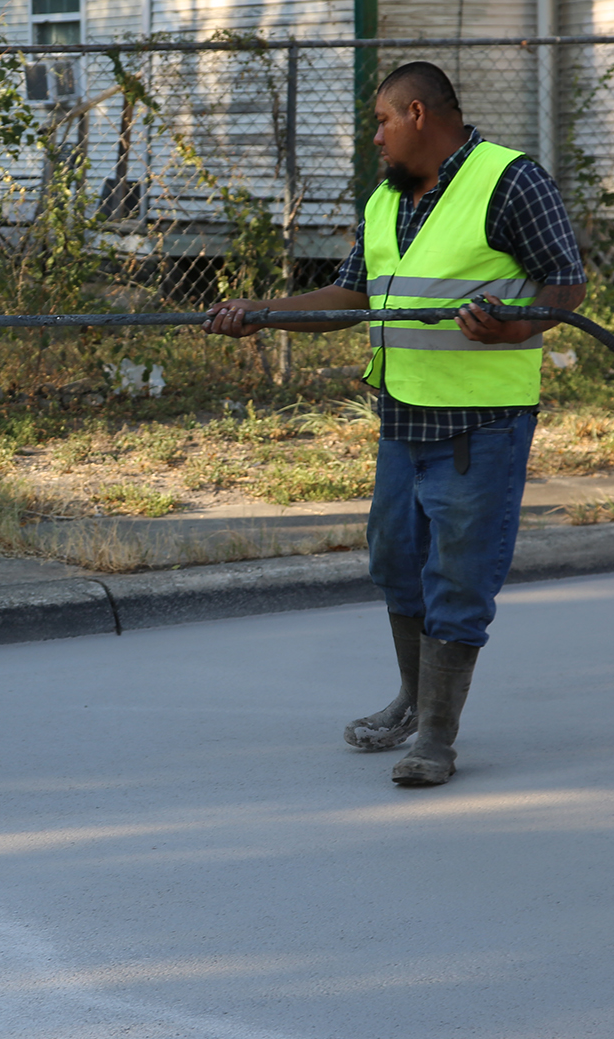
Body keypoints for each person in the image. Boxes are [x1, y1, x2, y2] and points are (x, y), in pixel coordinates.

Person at [204, 60, 586, 786]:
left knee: (457, 578)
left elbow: (565, 280)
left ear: (417, 115)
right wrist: (260, 313)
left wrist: (512, 329)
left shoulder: (510, 181)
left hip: (482, 429)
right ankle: (413, 702)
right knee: (396, 562)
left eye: (380, 121)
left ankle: (437, 737)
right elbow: (351, 294)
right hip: (403, 423)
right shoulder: (389, 201)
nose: (374, 138)